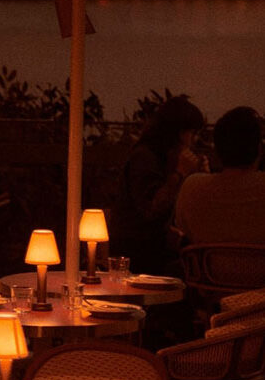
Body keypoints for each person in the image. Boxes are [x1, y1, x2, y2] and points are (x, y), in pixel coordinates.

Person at [111, 96, 207, 274]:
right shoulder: (144, 158)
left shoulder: (164, 159)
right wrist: (180, 173)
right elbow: (151, 208)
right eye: (192, 134)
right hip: (137, 248)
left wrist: (200, 177)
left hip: (155, 242)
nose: (194, 141)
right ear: (178, 133)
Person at [175, 106, 265, 244]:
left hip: (207, 259)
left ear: (217, 149)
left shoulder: (192, 186)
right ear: (259, 149)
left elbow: (183, 228)